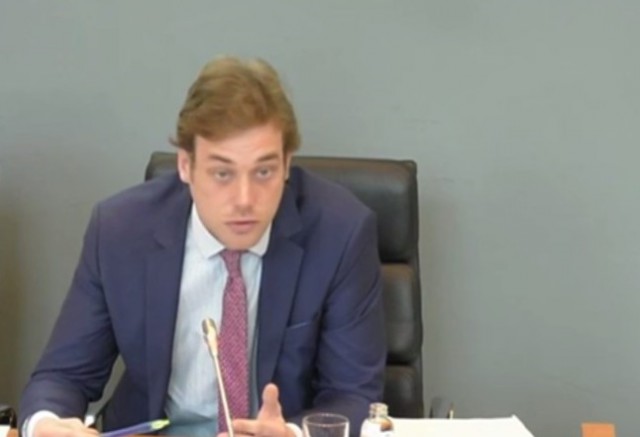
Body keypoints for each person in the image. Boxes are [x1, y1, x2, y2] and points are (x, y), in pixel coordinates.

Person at [19, 56, 385, 437]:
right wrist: (44, 425)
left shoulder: (340, 232)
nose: (245, 199)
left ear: (287, 163)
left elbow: (354, 395)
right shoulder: (120, 230)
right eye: (222, 173)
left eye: (264, 171)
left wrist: (293, 434)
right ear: (185, 166)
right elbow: (63, 377)